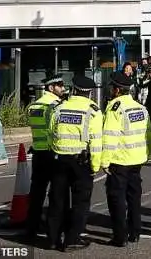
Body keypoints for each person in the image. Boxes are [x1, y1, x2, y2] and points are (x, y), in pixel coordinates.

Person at [47, 75, 103, 251]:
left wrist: (55, 150)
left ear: (74, 89)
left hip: (59, 159)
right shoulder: (93, 110)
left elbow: (50, 133)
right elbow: (95, 141)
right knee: (80, 202)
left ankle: (52, 239)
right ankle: (72, 239)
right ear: (89, 93)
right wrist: (95, 165)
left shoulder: (59, 107)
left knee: (57, 199)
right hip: (81, 161)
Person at [101, 71, 151, 247]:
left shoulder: (114, 108)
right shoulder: (139, 107)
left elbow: (110, 137)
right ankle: (135, 231)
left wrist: (105, 161)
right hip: (137, 159)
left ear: (117, 90)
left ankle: (120, 236)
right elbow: (149, 135)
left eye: (111, 87)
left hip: (119, 160)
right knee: (134, 197)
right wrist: (146, 154)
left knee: (116, 198)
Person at [25, 75, 66, 244]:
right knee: (56, 195)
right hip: (52, 154)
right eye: (59, 85)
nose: (63, 88)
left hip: (38, 154)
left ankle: (31, 227)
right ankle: (53, 230)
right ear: (51, 88)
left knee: (37, 193)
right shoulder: (56, 107)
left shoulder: (33, 106)